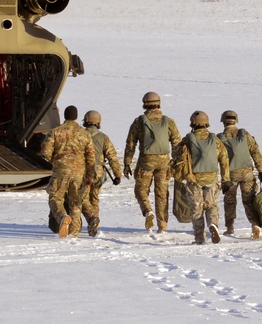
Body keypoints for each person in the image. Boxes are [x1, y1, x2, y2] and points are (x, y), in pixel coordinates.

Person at [123, 91, 181, 234]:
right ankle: (163, 226)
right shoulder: (168, 121)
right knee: (162, 193)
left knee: (141, 189)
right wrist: (175, 161)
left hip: (146, 161)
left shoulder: (139, 121)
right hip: (164, 162)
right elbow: (177, 142)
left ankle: (148, 211)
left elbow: (131, 143)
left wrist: (127, 163)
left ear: (144, 104)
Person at [173, 111, 231, 244]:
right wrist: (226, 179)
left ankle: (199, 238)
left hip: (194, 179)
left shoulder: (188, 139)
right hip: (212, 178)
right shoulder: (215, 140)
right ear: (206, 122)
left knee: (196, 209)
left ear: (193, 122)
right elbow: (224, 159)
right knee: (211, 205)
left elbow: (176, 154)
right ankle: (213, 224)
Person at [40, 105, 96, 238]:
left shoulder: (56, 131)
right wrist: (89, 175)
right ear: (76, 117)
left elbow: (45, 151)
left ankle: (62, 217)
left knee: (55, 198)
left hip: (61, 171)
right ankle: (74, 232)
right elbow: (91, 157)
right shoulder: (85, 134)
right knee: (76, 202)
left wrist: (56, 160)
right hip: (79, 173)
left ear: (65, 116)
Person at [218, 109, 262, 239]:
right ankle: (255, 224)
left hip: (230, 175)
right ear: (235, 121)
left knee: (229, 202)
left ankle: (229, 228)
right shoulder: (244, 135)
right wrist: (261, 170)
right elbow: (255, 152)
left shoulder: (219, 138)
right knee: (249, 200)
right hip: (247, 173)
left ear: (223, 122)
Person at [80, 109, 123, 237]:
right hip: (98, 174)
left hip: (83, 173)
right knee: (94, 198)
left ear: (86, 121)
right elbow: (112, 157)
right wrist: (117, 175)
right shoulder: (104, 138)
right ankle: (94, 223)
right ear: (98, 122)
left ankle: (91, 219)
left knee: (82, 198)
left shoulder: (80, 135)